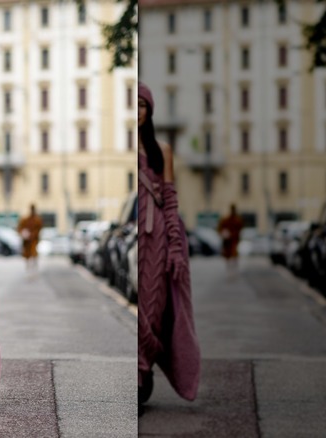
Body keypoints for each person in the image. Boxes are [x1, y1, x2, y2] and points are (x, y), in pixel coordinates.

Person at [137, 82, 200, 416]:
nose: (136, 111)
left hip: (157, 239)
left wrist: (175, 246)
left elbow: (170, 202)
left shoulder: (162, 151)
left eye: (142, 106)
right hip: (133, 238)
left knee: (152, 307)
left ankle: (141, 371)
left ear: (150, 112)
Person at [217, 204, 244, 275]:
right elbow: (220, 228)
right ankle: (230, 269)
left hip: (234, 240)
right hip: (228, 241)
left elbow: (240, 229)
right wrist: (224, 234)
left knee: (234, 255)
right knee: (228, 256)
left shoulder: (237, 220)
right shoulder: (227, 219)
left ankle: (233, 269)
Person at [18, 204, 43, 272]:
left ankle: (34, 267)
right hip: (27, 241)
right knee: (27, 255)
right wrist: (24, 234)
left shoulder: (37, 220)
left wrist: (32, 235)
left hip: (33, 240)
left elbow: (38, 230)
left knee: (33, 253)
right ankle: (29, 268)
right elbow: (20, 228)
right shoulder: (25, 219)